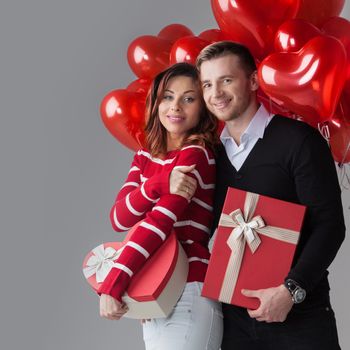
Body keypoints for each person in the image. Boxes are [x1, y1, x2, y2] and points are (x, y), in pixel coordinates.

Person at [174, 41, 345, 349]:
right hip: (234, 322)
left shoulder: (300, 142)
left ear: (252, 81)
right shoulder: (208, 155)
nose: (217, 93)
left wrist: (290, 291)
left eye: (227, 80)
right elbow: (193, 234)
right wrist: (159, 294)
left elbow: (330, 226)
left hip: (300, 316)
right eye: (208, 84)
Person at [98, 62, 223, 350]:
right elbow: (120, 217)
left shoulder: (197, 153)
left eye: (189, 99)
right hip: (155, 290)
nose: (176, 106)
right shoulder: (145, 156)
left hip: (189, 288)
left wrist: (114, 282)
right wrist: (159, 183)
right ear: (156, 102)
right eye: (168, 96)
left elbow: (158, 221)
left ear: (203, 107)